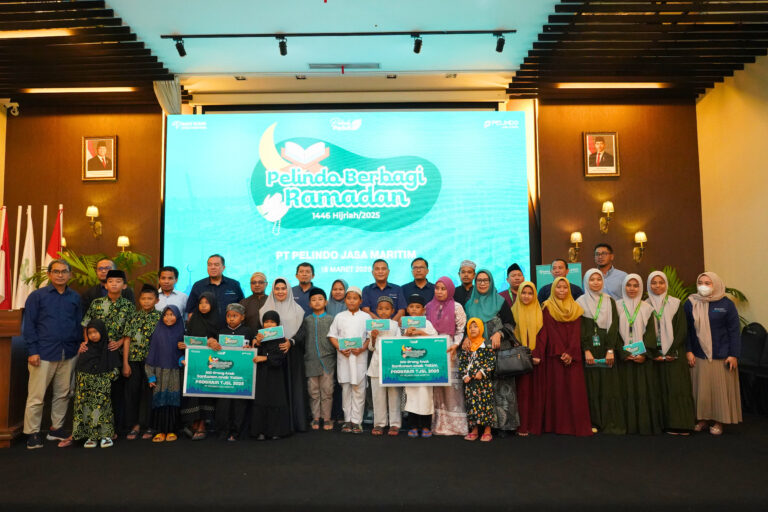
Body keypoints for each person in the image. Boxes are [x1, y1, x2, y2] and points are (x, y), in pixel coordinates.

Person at [22, 260, 82, 449]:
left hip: (69, 352)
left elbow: (79, 324)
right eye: (56, 272)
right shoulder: (37, 297)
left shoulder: (75, 297)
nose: (60, 275)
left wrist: (80, 347)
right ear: (49, 275)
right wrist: (33, 351)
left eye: (64, 272)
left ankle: (56, 429)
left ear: (70, 275)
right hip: (43, 353)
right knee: (36, 396)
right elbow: (29, 325)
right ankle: (32, 433)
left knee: (63, 393)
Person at [685, 272, 742, 435]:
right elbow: (687, 330)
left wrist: (734, 354)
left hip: (722, 355)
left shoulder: (726, 304)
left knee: (719, 392)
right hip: (698, 354)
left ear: (715, 284)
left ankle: (718, 422)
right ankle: (702, 419)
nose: (703, 285)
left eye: (708, 283)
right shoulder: (690, 303)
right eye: (700, 282)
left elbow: (734, 330)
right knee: (701, 391)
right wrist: (688, 350)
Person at [464, 270, 519, 436]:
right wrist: (466, 337)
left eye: (485, 280)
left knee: (501, 389)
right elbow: (466, 326)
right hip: (477, 354)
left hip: (497, 352)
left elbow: (510, 323)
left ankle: (503, 426)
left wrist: (499, 333)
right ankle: (482, 427)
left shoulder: (500, 301)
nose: (482, 283)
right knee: (481, 390)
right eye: (479, 280)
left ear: (491, 282)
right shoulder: (469, 304)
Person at [81, 269, 134, 435]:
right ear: (106, 284)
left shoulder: (128, 306)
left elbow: (129, 334)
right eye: (111, 281)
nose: (114, 284)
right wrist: (87, 344)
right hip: (97, 356)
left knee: (116, 394)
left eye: (118, 281)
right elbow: (86, 325)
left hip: (117, 355)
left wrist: (120, 347)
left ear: (124, 286)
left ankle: (115, 429)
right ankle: (96, 428)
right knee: (98, 392)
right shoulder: (96, 303)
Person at [540, 277, 592, 436]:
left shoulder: (576, 308)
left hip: (573, 356)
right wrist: (562, 352)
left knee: (574, 392)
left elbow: (577, 332)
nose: (562, 290)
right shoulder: (547, 307)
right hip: (555, 356)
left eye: (565, 287)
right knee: (558, 391)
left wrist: (570, 352)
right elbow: (550, 331)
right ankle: (558, 426)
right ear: (553, 289)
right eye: (558, 287)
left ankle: (575, 426)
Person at [576, 269, 625, 435]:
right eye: (592, 279)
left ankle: (609, 422)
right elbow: (580, 328)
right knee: (592, 386)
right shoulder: (580, 302)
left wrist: (610, 349)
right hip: (589, 348)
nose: (596, 282)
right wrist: (586, 350)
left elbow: (614, 326)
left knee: (608, 385)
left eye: (599, 279)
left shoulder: (609, 300)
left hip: (606, 347)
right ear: (586, 282)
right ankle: (593, 422)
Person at [646, 271, 695, 434]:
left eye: (661, 282)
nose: (657, 286)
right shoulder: (645, 305)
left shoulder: (676, 303)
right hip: (655, 356)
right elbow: (644, 331)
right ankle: (664, 424)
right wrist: (655, 352)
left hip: (675, 354)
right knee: (659, 389)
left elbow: (682, 330)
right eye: (654, 283)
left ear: (666, 284)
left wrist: (670, 350)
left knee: (677, 388)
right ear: (648, 285)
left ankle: (682, 424)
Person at [616, 274, 663, 435]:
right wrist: (623, 353)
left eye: (636, 285)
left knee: (643, 391)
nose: (632, 289)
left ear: (641, 288)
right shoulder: (617, 306)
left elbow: (651, 334)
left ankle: (643, 425)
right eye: (628, 285)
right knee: (624, 391)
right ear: (624, 287)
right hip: (623, 359)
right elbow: (613, 333)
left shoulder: (647, 308)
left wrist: (643, 353)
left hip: (643, 358)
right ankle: (627, 426)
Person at [260, 277, 307, 433]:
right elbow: (259, 333)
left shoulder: (298, 309)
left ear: (289, 290)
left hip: (292, 354)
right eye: (277, 288)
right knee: (276, 391)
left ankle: (294, 424)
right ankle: (275, 425)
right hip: (270, 357)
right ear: (272, 290)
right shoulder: (263, 310)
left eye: (283, 288)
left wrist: (291, 342)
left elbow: (302, 332)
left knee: (293, 388)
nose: (280, 291)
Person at [70, 319, 120, 448]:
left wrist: (106, 378)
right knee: (86, 410)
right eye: (90, 332)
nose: (93, 335)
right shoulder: (85, 348)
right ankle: (90, 436)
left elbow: (115, 368)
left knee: (102, 410)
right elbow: (80, 366)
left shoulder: (110, 347)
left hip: (102, 385)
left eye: (95, 332)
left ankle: (105, 435)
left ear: (102, 332)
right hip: (85, 386)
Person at [428, 276, 468, 436]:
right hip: (432, 350)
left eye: (443, 288)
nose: (439, 291)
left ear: (450, 290)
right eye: (437, 288)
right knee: (435, 388)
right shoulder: (428, 306)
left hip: (449, 349)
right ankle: (438, 425)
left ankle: (455, 426)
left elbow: (460, 330)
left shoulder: (457, 307)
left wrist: (455, 345)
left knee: (451, 388)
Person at [328, 286, 371, 434]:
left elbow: (370, 337)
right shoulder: (339, 316)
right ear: (345, 300)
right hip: (344, 357)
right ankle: (347, 420)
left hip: (359, 357)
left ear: (360, 300)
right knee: (346, 389)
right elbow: (332, 335)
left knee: (359, 389)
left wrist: (363, 348)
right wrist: (340, 347)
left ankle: (357, 421)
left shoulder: (366, 317)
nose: (351, 301)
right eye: (349, 298)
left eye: (355, 298)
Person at [180, 292, 219, 440]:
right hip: (195, 362)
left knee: (205, 393)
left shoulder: (218, 320)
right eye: (201, 303)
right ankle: (195, 422)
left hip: (210, 363)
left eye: (207, 303)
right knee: (194, 392)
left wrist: (214, 340)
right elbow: (190, 339)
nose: (203, 306)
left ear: (213, 304)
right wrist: (184, 345)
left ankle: (203, 424)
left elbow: (222, 340)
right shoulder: (193, 318)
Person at [123, 284, 161, 441]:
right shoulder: (133, 316)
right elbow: (127, 340)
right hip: (133, 361)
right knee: (133, 393)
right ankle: (135, 425)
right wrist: (125, 362)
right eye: (143, 299)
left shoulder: (160, 317)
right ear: (139, 300)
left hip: (152, 362)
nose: (146, 301)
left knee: (149, 394)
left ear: (156, 300)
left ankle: (149, 425)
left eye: (150, 299)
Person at [145, 306, 184, 443]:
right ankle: (160, 431)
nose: (168, 317)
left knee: (173, 401)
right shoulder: (157, 332)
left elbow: (184, 354)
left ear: (178, 316)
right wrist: (151, 375)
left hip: (175, 372)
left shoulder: (182, 332)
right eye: (166, 314)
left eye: (172, 314)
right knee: (160, 400)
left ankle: (172, 430)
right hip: (160, 372)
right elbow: (151, 355)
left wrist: (182, 358)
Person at [402, 294, 439, 439]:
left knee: (425, 397)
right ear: (407, 309)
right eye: (411, 307)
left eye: (417, 307)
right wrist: (406, 335)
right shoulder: (403, 324)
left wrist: (421, 333)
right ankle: (412, 426)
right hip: (410, 368)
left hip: (426, 369)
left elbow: (436, 341)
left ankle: (425, 426)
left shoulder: (428, 324)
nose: (414, 310)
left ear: (423, 310)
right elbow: (397, 345)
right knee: (411, 397)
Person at [510, 281, 545, 436]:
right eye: (524, 293)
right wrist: (524, 356)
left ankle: (535, 426)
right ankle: (521, 426)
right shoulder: (513, 311)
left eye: (530, 293)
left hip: (537, 360)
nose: (526, 296)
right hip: (519, 361)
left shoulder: (541, 311)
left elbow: (543, 337)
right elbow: (511, 336)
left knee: (536, 393)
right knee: (521, 394)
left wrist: (536, 355)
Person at [216, 303, 254, 441]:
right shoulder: (220, 332)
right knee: (223, 404)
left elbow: (253, 350)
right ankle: (224, 430)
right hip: (224, 375)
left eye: (235, 316)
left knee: (239, 404)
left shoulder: (248, 331)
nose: (231, 319)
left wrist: (250, 349)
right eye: (229, 316)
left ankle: (237, 432)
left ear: (242, 317)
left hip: (241, 375)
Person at [250, 311, 290, 440]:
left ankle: (275, 431)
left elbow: (280, 357)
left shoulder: (281, 339)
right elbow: (252, 355)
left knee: (275, 400)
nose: (269, 324)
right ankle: (260, 431)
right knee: (261, 400)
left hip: (275, 375)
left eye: (272, 322)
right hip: (261, 374)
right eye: (266, 322)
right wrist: (257, 343)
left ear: (277, 324)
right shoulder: (258, 337)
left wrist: (265, 358)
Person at [366, 296, 402, 436]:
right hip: (376, 366)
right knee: (378, 396)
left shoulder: (394, 325)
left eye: (387, 309)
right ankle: (380, 423)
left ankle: (394, 424)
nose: (383, 311)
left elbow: (399, 344)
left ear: (392, 310)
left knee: (394, 396)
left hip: (392, 366)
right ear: (376, 310)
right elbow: (370, 348)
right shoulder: (373, 325)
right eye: (380, 309)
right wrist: (373, 337)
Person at [303, 288, 336, 431]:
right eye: (313, 299)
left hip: (327, 361)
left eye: (320, 299)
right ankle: (316, 418)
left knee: (327, 390)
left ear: (326, 302)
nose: (317, 302)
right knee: (313, 391)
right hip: (310, 361)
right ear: (309, 304)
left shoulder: (331, 319)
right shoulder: (306, 321)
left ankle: (327, 418)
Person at [459, 318, 496, 442]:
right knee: (472, 405)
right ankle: (474, 430)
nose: (472, 329)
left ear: (481, 328)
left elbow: (491, 362)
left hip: (484, 384)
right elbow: (463, 363)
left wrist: (482, 372)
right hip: (470, 384)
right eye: (470, 327)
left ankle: (487, 431)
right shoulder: (467, 347)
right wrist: (465, 376)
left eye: (475, 326)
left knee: (486, 406)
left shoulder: (486, 345)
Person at [186, 254, 244, 326]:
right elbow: (191, 312)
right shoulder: (198, 286)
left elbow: (242, 308)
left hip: (229, 331)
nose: (212, 267)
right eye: (209, 265)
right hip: (205, 331)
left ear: (223, 267)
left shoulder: (234, 284)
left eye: (216, 265)